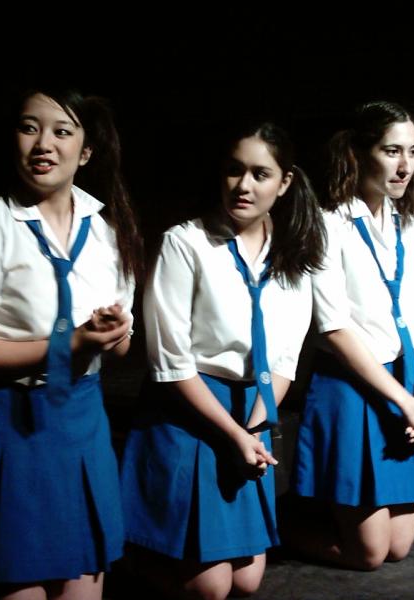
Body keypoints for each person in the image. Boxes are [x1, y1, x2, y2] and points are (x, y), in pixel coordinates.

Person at [0, 88, 142, 599]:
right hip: (8, 419)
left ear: (86, 150)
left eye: (62, 131)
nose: (43, 144)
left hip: (82, 419)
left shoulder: (107, 232)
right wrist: (71, 343)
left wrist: (113, 333)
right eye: (29, 128)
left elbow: (120, 350)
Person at [120, 121, 326, 599]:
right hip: (190, 409)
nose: (243, 185)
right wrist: (233, 435)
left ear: (285, 182)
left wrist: (253, 429)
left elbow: (285, 359)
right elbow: (170, 361)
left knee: (247, 581)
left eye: (260, 174)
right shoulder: (185, 242)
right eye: (235, 171)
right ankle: (127, 554)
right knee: (212, 587)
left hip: (252, 409)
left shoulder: (293, 250)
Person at [290, 101, 414, 570]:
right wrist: (406, 402)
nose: (405, 165)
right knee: (368, 555)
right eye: (391, 151)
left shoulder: (411, 225)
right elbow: (334, 328)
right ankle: (277, 531)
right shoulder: (329, 223)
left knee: (398, 548)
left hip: (403, 379)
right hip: (351, 385)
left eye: (413, 151)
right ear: (360, 153)